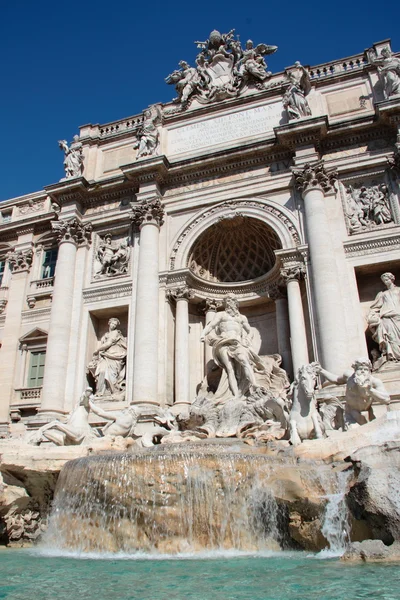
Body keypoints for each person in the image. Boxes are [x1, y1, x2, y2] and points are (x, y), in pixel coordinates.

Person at [201, 294, 266, 399]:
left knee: (244, 360)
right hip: (223, 342)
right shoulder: (221, 315)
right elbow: (211, 325)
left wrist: (247, 339)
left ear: (236, 304)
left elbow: (250, 331)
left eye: (232, 301)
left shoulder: (241, 318)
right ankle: (235, 395)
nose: (230, 304)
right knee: (229, 368)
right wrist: (203, 334)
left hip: (237, 343)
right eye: (228, 301)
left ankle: (254, 384)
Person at [317, 358, 390, 426]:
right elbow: (336, 380)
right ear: (355, 370)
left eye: (366, 369)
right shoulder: (349, 376)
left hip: (367, 413)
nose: (362, 371)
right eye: (360, 369)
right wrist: (322, 371)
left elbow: (386, 399)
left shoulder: (374, 382)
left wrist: (370, 390)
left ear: (369, 371)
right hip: (350, 412)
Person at [29, 387, 98, 446]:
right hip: (67, 438)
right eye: (86, 392)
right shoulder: (76, 409)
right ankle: (36, 439)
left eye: (89, 393)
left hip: (80, 433)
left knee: (55, 423)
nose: (87, 393)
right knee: (45, 432)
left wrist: (87, 394)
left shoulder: (87, 405)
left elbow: (86, 399)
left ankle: (41, 430)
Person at [88, 318, 127, 397]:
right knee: (102, 371)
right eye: (112, 323)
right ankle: (100, 391)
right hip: (105, 356)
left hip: (114, 355)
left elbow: (108, 343)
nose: (113, 325)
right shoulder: (106, 334)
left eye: (115, 325)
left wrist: (97, 350)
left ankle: (111, 391)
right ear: (109, 323)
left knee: (111, 374)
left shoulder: (115, 333)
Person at [367, 273, 400, 361]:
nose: (386, 282)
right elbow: (375, 307)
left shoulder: (398, 290)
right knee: (391, 337)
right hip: (387, 317)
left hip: (398, 315)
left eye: (387, 280)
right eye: (384, 281)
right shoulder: (382, 294)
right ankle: (394, 357)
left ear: (392, 279)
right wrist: (372, 316)